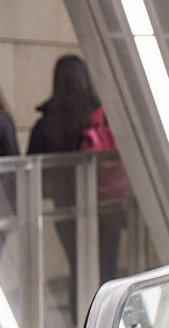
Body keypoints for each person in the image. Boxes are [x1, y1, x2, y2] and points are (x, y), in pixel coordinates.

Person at [29, 54, 126, 282]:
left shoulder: (46, 124)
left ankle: (80, 306)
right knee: (108, 271)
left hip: (67, 208)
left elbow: (33, 169)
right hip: (106, 205)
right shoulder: (103, 117)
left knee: (78, 269)